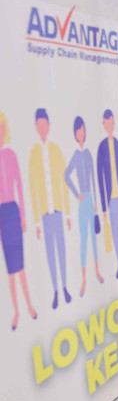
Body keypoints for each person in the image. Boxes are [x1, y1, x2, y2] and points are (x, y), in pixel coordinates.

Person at [29, 108, 72, 309]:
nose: (42, 127)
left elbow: (64, 182)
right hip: (45, 214)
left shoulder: (55, 150)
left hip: (58, 211)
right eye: (39, 124)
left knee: (61, 251)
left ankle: (64, 286)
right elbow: (34, 188)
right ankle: (55, 290)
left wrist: (68, 212)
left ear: (48, 124)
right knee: (50, 253)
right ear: (37, 127)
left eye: (44, 123)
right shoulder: (34, 154)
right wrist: (36, 220)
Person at [0, 111, 36, 329]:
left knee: (20, 264)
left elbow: (19, 186)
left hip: (12, 210)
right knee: (10, 268)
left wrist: (23, 215)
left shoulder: (11, 155)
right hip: (1, 213)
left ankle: (30, 305)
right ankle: (16, 311)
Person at [64, 116, 103, 297]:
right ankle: (84, 279)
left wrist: (95, 200)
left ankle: (96, 271)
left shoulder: (88, 154)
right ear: (75, 133)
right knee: (84, 241)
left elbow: (94, 177)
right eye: (78, 131)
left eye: (82, 130)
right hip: (81, 201)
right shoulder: (76, 155)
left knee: (94, 240)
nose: (81, 133)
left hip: (90, 200)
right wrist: (76, 194)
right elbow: (66, 175)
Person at [97, 109, 118, 279]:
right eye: (107, 122)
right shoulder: (102, 146)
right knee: (116, 233)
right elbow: (100, 177)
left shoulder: (117, 144)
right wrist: (103, 206)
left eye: (112, 122)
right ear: (104, 124)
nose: (110, 125)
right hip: (110, 199)